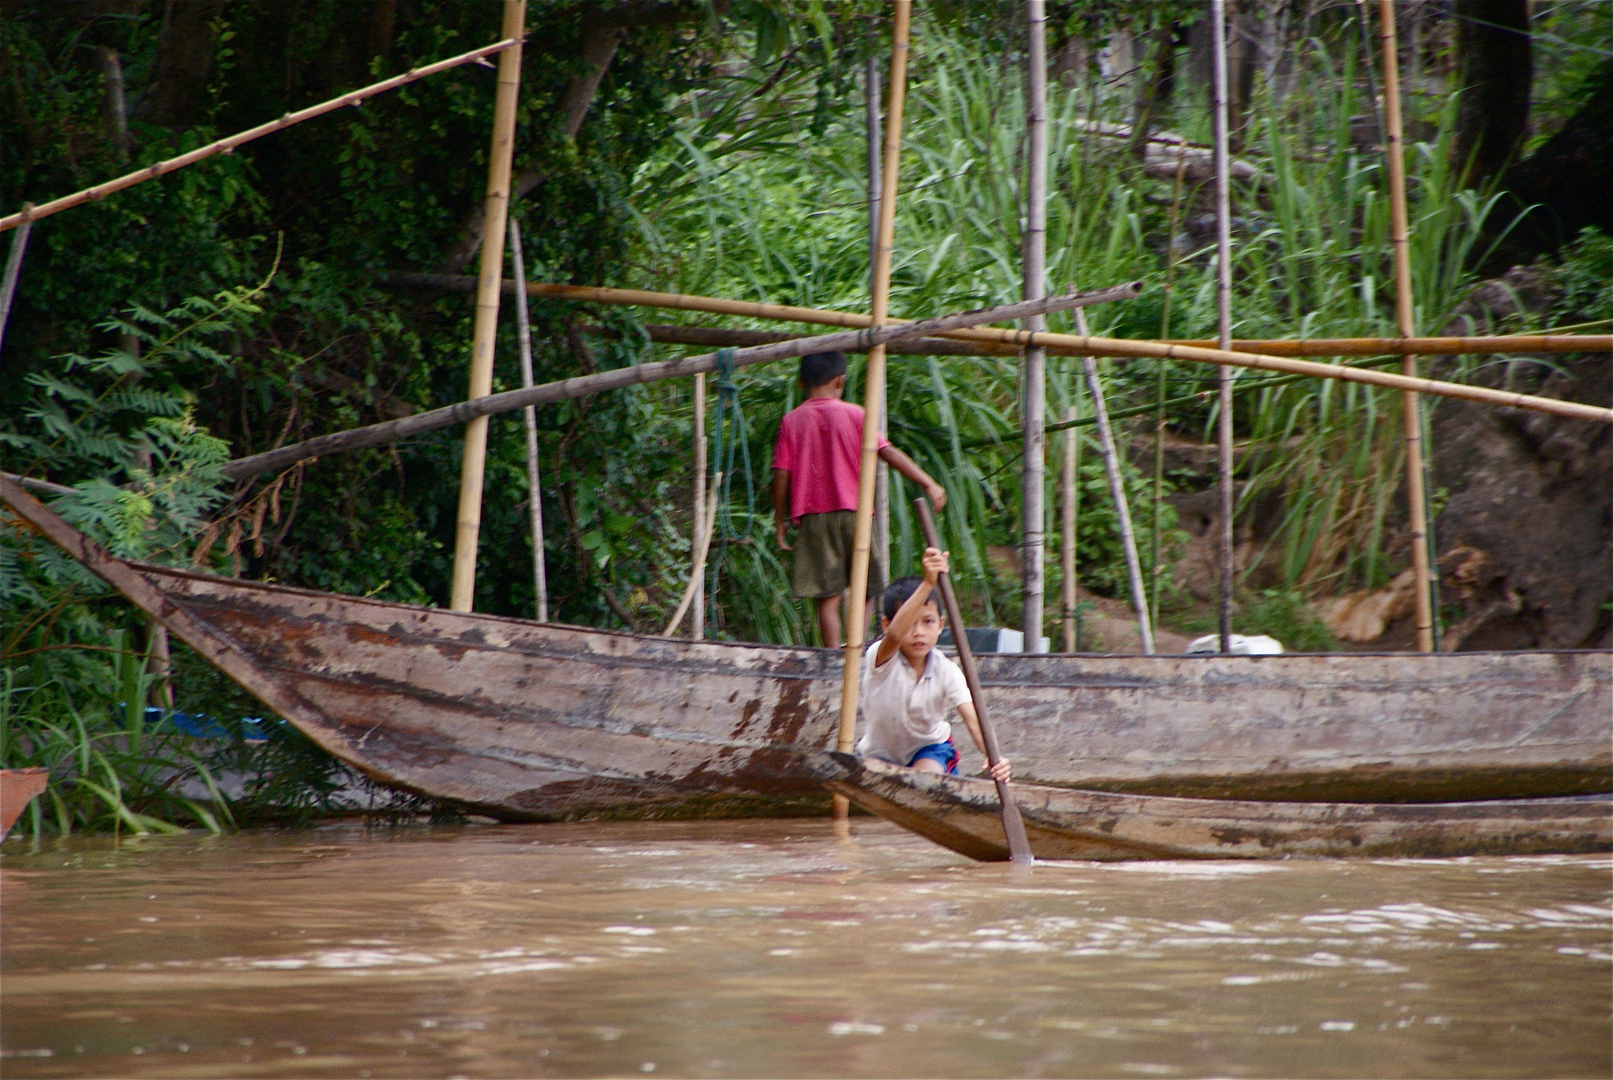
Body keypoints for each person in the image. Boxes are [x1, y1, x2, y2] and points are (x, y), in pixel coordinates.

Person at [771, 350, 946, 648]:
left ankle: (831, 656)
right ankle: (857, 649)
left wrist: (780, 518)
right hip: (856, 514)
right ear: (840, 381)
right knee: (865, 589)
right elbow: (888, 452)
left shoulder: (792, 421)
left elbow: (781, 474)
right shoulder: (855, 414)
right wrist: (927, 481)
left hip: (814, 517)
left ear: (801, 382)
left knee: (827, 597)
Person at [856, 547, 1011, 782]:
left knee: (923, 780)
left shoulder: (946, 670)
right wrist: (928, 584)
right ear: (886, 625)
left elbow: (973, 718)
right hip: (878, 755)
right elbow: (896, 636)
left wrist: (995, 757)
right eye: (910, 623)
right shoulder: (880, 657)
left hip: (929, 749)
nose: (918, 633)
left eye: (928, 622)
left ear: (940, 625)